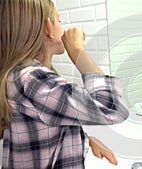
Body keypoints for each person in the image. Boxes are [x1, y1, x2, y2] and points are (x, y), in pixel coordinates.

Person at [0, 0, 129, 168]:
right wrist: (77, 51)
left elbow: (45, 126)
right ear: (48, 29)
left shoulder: (21, 76)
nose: (63, 26)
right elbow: (113, 108)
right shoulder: (33, 80)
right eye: (59, 21)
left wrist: (86, 140)